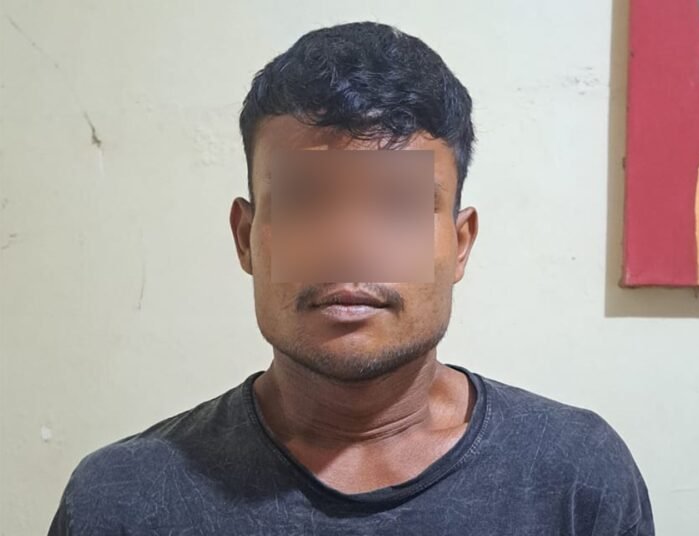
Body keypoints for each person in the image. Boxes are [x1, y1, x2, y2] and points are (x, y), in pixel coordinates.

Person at [48, 21, 654, 535]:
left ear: (461, 244)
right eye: (304, 201)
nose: (350, 244)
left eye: (398, 204)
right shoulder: (122, 500)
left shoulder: (574, 480)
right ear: (246, 238)